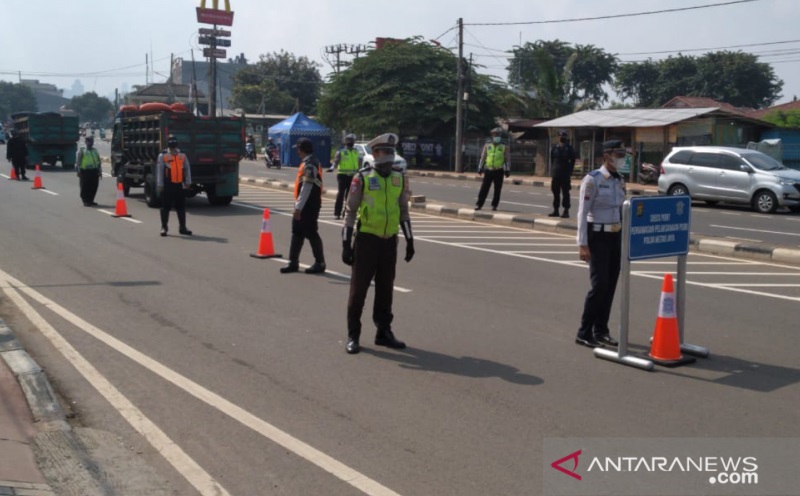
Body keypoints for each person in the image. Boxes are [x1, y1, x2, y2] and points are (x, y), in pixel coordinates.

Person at [341, 133, 415, 354]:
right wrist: (346, 244)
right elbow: (350, 212)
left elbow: (403, 210)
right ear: (374, 154)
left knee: (385, 290)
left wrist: (410, 240)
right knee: (358, 291)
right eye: (385, 152)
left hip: (389, 242)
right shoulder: (361, 178)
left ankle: (383, 332)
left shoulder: (398, 178)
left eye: (391, 152)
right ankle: (353, 335)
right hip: (366, 242)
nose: (389, 157)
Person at [575, 140, 627, 348]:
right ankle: (584, 332)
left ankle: (601, 330)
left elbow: (623, 210)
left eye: (623, 154)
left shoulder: (619, 180)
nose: (622, 157)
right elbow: (582, 212)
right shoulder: (593, 179)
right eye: (618, 153)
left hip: (615, 236)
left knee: (611, 285)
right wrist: (582, 244)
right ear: (607, 155)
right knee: (599, 286)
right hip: (597, 237)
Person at [280, 138, 326, 274]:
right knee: (297, 232)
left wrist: (298, 208)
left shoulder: (309, 164)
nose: (297, 152)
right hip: (306, 203)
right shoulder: (309, 162)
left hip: (309, 205)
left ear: (301, 149)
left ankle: (320, 262)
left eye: (298, 149)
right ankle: (293, 262)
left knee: (311, 233)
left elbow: (307, 187)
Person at [156, 135, 193, 237]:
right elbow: (159, 171)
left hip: (180, 185)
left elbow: (187, 168)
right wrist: (160, 184)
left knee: (181, 207)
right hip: (168, 185)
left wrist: (188, 181)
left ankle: (183, 228)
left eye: (174, 144)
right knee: (165, 207)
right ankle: (164, 227)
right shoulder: (163, 155)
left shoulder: (182, 155)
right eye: (171, 144)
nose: (173, 147)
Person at [327, 133, 362, 219]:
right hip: (342, 176)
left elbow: (360, 163)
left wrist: (361, 172)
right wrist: (332, 168)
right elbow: (335, 162)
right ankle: (337, 213)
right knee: (340, 194)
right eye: (349, 140)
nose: (351, 142)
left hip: (353, 176)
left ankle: (346, 212)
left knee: (350, 195)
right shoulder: (341, 152)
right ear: (346, 142)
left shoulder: (356, 152)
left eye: (352, 140)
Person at [475, 127, 510, 211]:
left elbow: (507, 158)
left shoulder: (504, 145)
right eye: (494, 134)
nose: (496, 136)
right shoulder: (487, 145)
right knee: (484, 188)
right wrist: (480, 167)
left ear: (500, 135)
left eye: (498, 134)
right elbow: (483, 156)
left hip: (499, 170)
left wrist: (507, 170)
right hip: (488, 169)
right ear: (492, 135)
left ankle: (494, 205)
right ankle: (479, 204)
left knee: (497, 189)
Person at [549, 129, 577, 218]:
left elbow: (573, 160)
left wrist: (570, 171)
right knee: (555, 192)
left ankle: (566, 211)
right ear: (558, 137)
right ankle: (556, 210)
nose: (562, 138)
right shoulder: (554, 148)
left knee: (565, 193)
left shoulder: (569, 148)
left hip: (565, 174)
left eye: (564, 136)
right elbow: (552, 159)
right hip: (556, 174)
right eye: (561, 136)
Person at [76, 135, 102, 206]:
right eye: (89, 141)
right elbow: (78, 162)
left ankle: (91, 200)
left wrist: (100, 171)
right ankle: (85, 200)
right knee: (85, 187)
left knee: (94, 186)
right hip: (85, 171)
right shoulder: (82, 150)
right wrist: (78, 171)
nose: (91, 143)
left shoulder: (95, 150)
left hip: (94, 171)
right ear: (86, 142)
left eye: (92, 141)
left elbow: (98, 161)